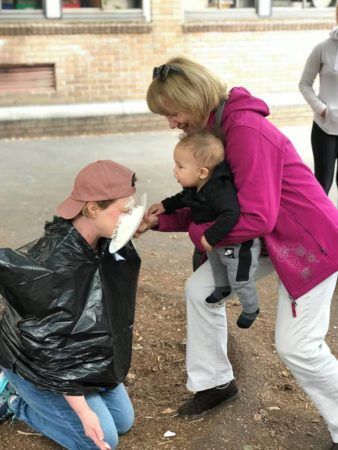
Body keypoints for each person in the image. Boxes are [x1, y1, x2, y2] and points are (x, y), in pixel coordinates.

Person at [139, 57, 338, 449]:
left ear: (194, 99)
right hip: (268, 239)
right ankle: (214, 382)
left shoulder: (244, 129)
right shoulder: (218, 129)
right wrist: (162, 220)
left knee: (297, 346)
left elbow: (255, 216)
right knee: (200, 291)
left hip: (309, 243)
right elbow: (215, 205)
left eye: (173, 111)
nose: (171, 122)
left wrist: (201, 235)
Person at [0, 160, 141, 450]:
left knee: (123, 421)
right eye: (124, 210)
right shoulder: (56, 267)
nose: (130, 218)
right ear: (91, 208)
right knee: (102, 441)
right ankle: (13, 400)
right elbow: (51, 346)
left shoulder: (101, 240)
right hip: (34, 363)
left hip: (78, 354)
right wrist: (82, 411)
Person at [149, 131, 261, 328]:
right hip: (217, 244)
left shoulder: (219, 190)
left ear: (202, 172)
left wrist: (210, 236)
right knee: (216, 262)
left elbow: (230, 214)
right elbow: (182, 199)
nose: (175, 171)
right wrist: (165, 205)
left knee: (238, 277)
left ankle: (251, 308)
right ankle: (221, 288)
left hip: (236, 248)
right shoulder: (196, 186)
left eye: (180, 166)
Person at [298, 6, 338, 197]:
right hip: (325, 129)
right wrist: (321, 109)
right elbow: (304, 83)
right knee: (322, 185)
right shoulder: (323, 48)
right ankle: (320, 226)